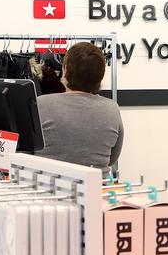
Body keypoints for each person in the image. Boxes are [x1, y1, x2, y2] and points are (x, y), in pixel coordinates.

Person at [35, 42, 124, 172]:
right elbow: (112, 159)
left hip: (46, 182)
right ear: (100, 75)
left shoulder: (41, 104)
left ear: (65, 70)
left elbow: (23, 153)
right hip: (95, 183)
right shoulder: (112, 109)